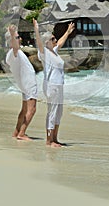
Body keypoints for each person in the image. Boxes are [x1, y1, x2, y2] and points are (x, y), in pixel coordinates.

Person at [33, 18, 75, 148]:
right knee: (52, 111)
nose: (55, 40)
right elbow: (39, 43)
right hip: (51, 86)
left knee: (59, 112)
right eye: (52, 39)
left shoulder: (54, 52)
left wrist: (68, 31)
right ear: (47, 42)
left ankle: (55, 139)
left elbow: (61, 42)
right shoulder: (44, 53)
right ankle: (49, 140)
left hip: (58, 85)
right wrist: (36, 30)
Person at [5, 24, 38, 141]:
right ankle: (22, 133)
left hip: (25, 85)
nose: (20, 39)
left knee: (24, 110)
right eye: (17, 38)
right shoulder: (13, 53)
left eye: (18, 37)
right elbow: (14, 47)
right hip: (28, 84)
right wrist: (13, 34)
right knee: (32, 109)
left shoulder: (14, 54)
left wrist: (13, 34)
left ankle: (17, 132)